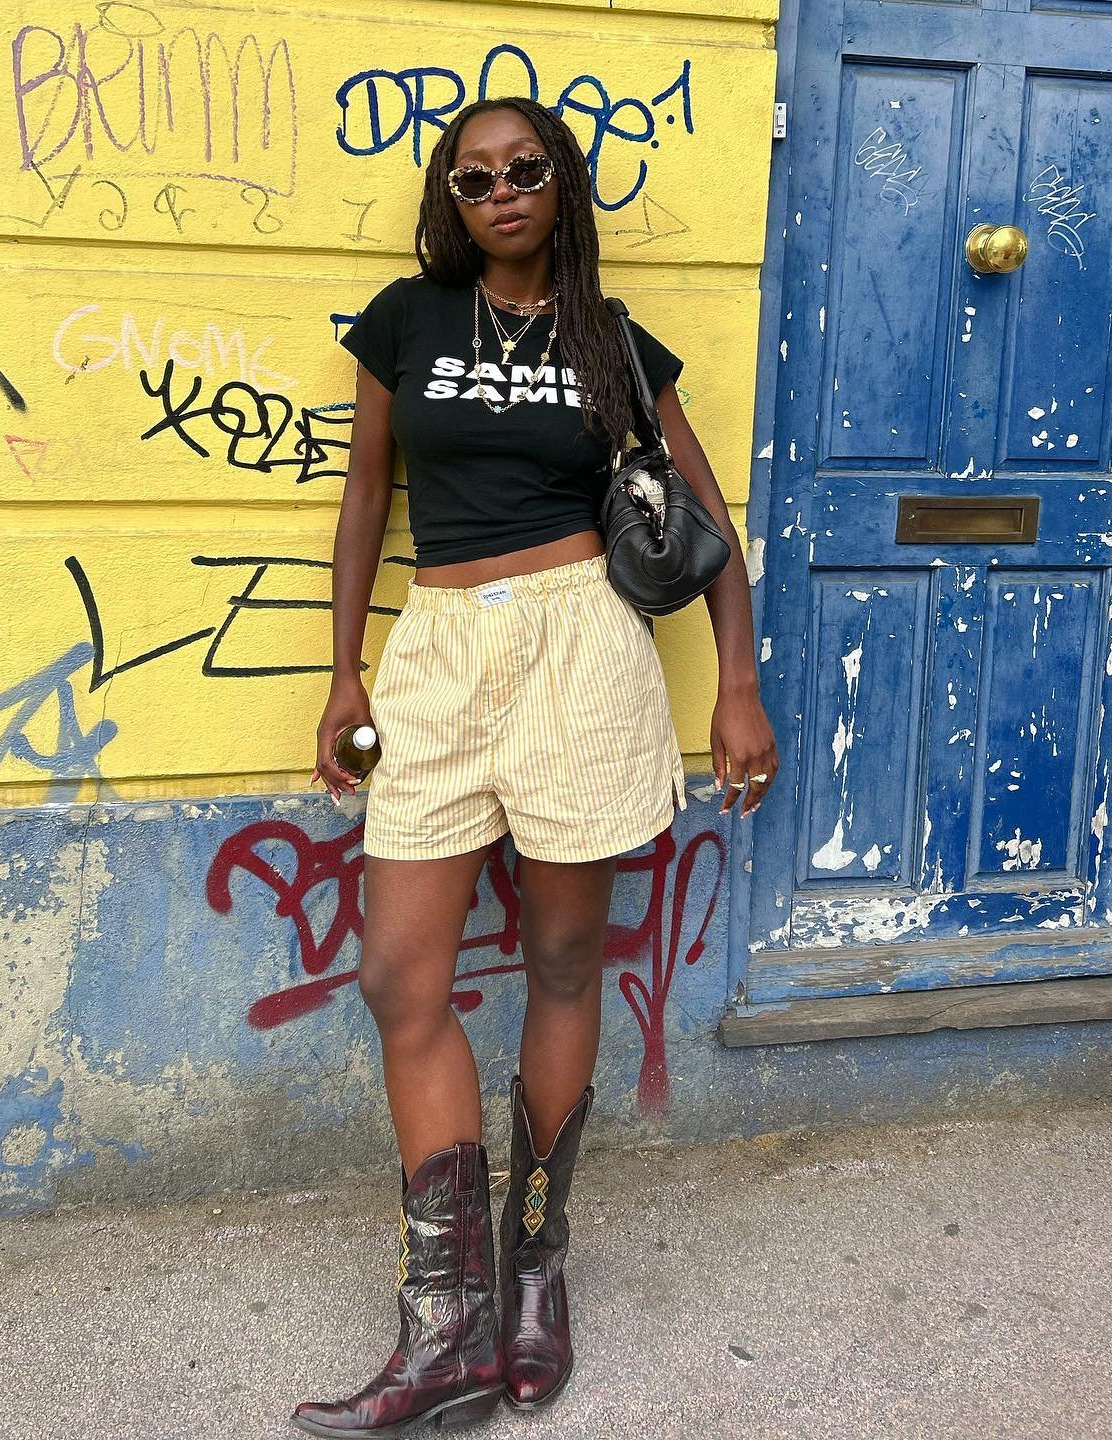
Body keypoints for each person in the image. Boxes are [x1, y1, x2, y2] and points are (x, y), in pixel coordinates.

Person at [293, 96, 777, 1437]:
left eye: (525, 171)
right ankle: (443, 1326)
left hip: (584, 650)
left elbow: (705, 518)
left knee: (567, 963)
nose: (501, 191)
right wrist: (346, 672)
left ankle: (535, 1275)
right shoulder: (404, 321)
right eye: (474, 177)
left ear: (560, 187)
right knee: (403, 976)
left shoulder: (611, 338)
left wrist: (737, 684)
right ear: (450, 199)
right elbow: (364, 500)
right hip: (439, 652)